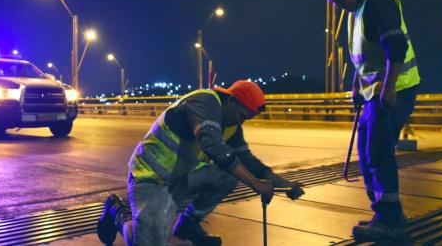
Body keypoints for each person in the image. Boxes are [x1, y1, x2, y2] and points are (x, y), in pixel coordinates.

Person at [97, 80, 304, 246]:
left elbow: (250, 163)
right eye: (242, 115)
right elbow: (212, 145)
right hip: (149, 178)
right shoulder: (204, 101)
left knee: (228, 176)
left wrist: (284, 184)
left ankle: (188, 223)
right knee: (147, 242)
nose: (241, 122)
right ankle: (117, 212)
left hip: (178, 179)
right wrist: (255, 183)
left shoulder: (230, 125)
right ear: (232, 101)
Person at [319, 0, 421, 241]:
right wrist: (355, 86)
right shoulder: (355, 10)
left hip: (395, 90)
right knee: (366, 151)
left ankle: (390, 221)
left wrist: (388, 88)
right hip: (372, 93)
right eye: (332, 1)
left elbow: (396, 46)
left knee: (378, 151)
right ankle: (384, 213)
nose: (338, 5)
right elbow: (361, 56)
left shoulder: (378, 2)